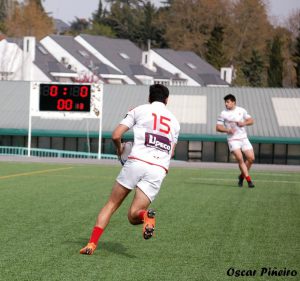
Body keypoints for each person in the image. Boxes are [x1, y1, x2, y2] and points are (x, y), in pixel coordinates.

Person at [80, 84, 180, 255]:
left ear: (149, 98)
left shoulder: (139, 110)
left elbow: (116, 135)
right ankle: (145, 215)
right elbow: (170, 154)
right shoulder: (175, 123)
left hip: (137, 162)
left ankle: (91, 244)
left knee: (112, 204)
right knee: (134, 216)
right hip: (158, 169)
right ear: (167, 100)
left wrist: (120, 149)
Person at [216, 94, 255, 188]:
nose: (226, 104)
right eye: (225, 102)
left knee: (251, 159)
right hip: (233, 140)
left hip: (243, 138)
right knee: (240, 158)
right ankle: (249, 180)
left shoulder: (241, 110)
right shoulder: (223, 113)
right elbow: (218, 127)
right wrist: (227, 130)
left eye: (228, 102)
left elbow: (251, 121)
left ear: (234, 102)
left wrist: (244, 123)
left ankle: (241, 177)